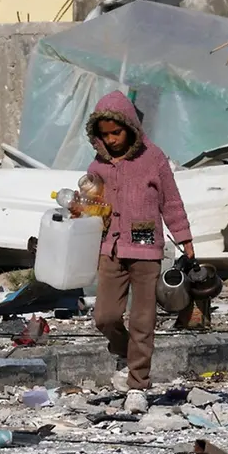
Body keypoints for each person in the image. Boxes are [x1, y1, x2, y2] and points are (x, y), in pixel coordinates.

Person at [86, 91, 193, 415]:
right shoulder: (97, 166)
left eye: (115, 133)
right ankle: (126, 354)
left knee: (143, 320)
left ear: (130, 127)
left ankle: (137, 385)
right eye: (104, 134)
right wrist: (86, 205)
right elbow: (91, 206)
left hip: (146, 246)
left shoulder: (153, 159)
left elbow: (171, 202)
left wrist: (185, 238)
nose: (111, 140)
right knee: (105, 316)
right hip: (111, 248)